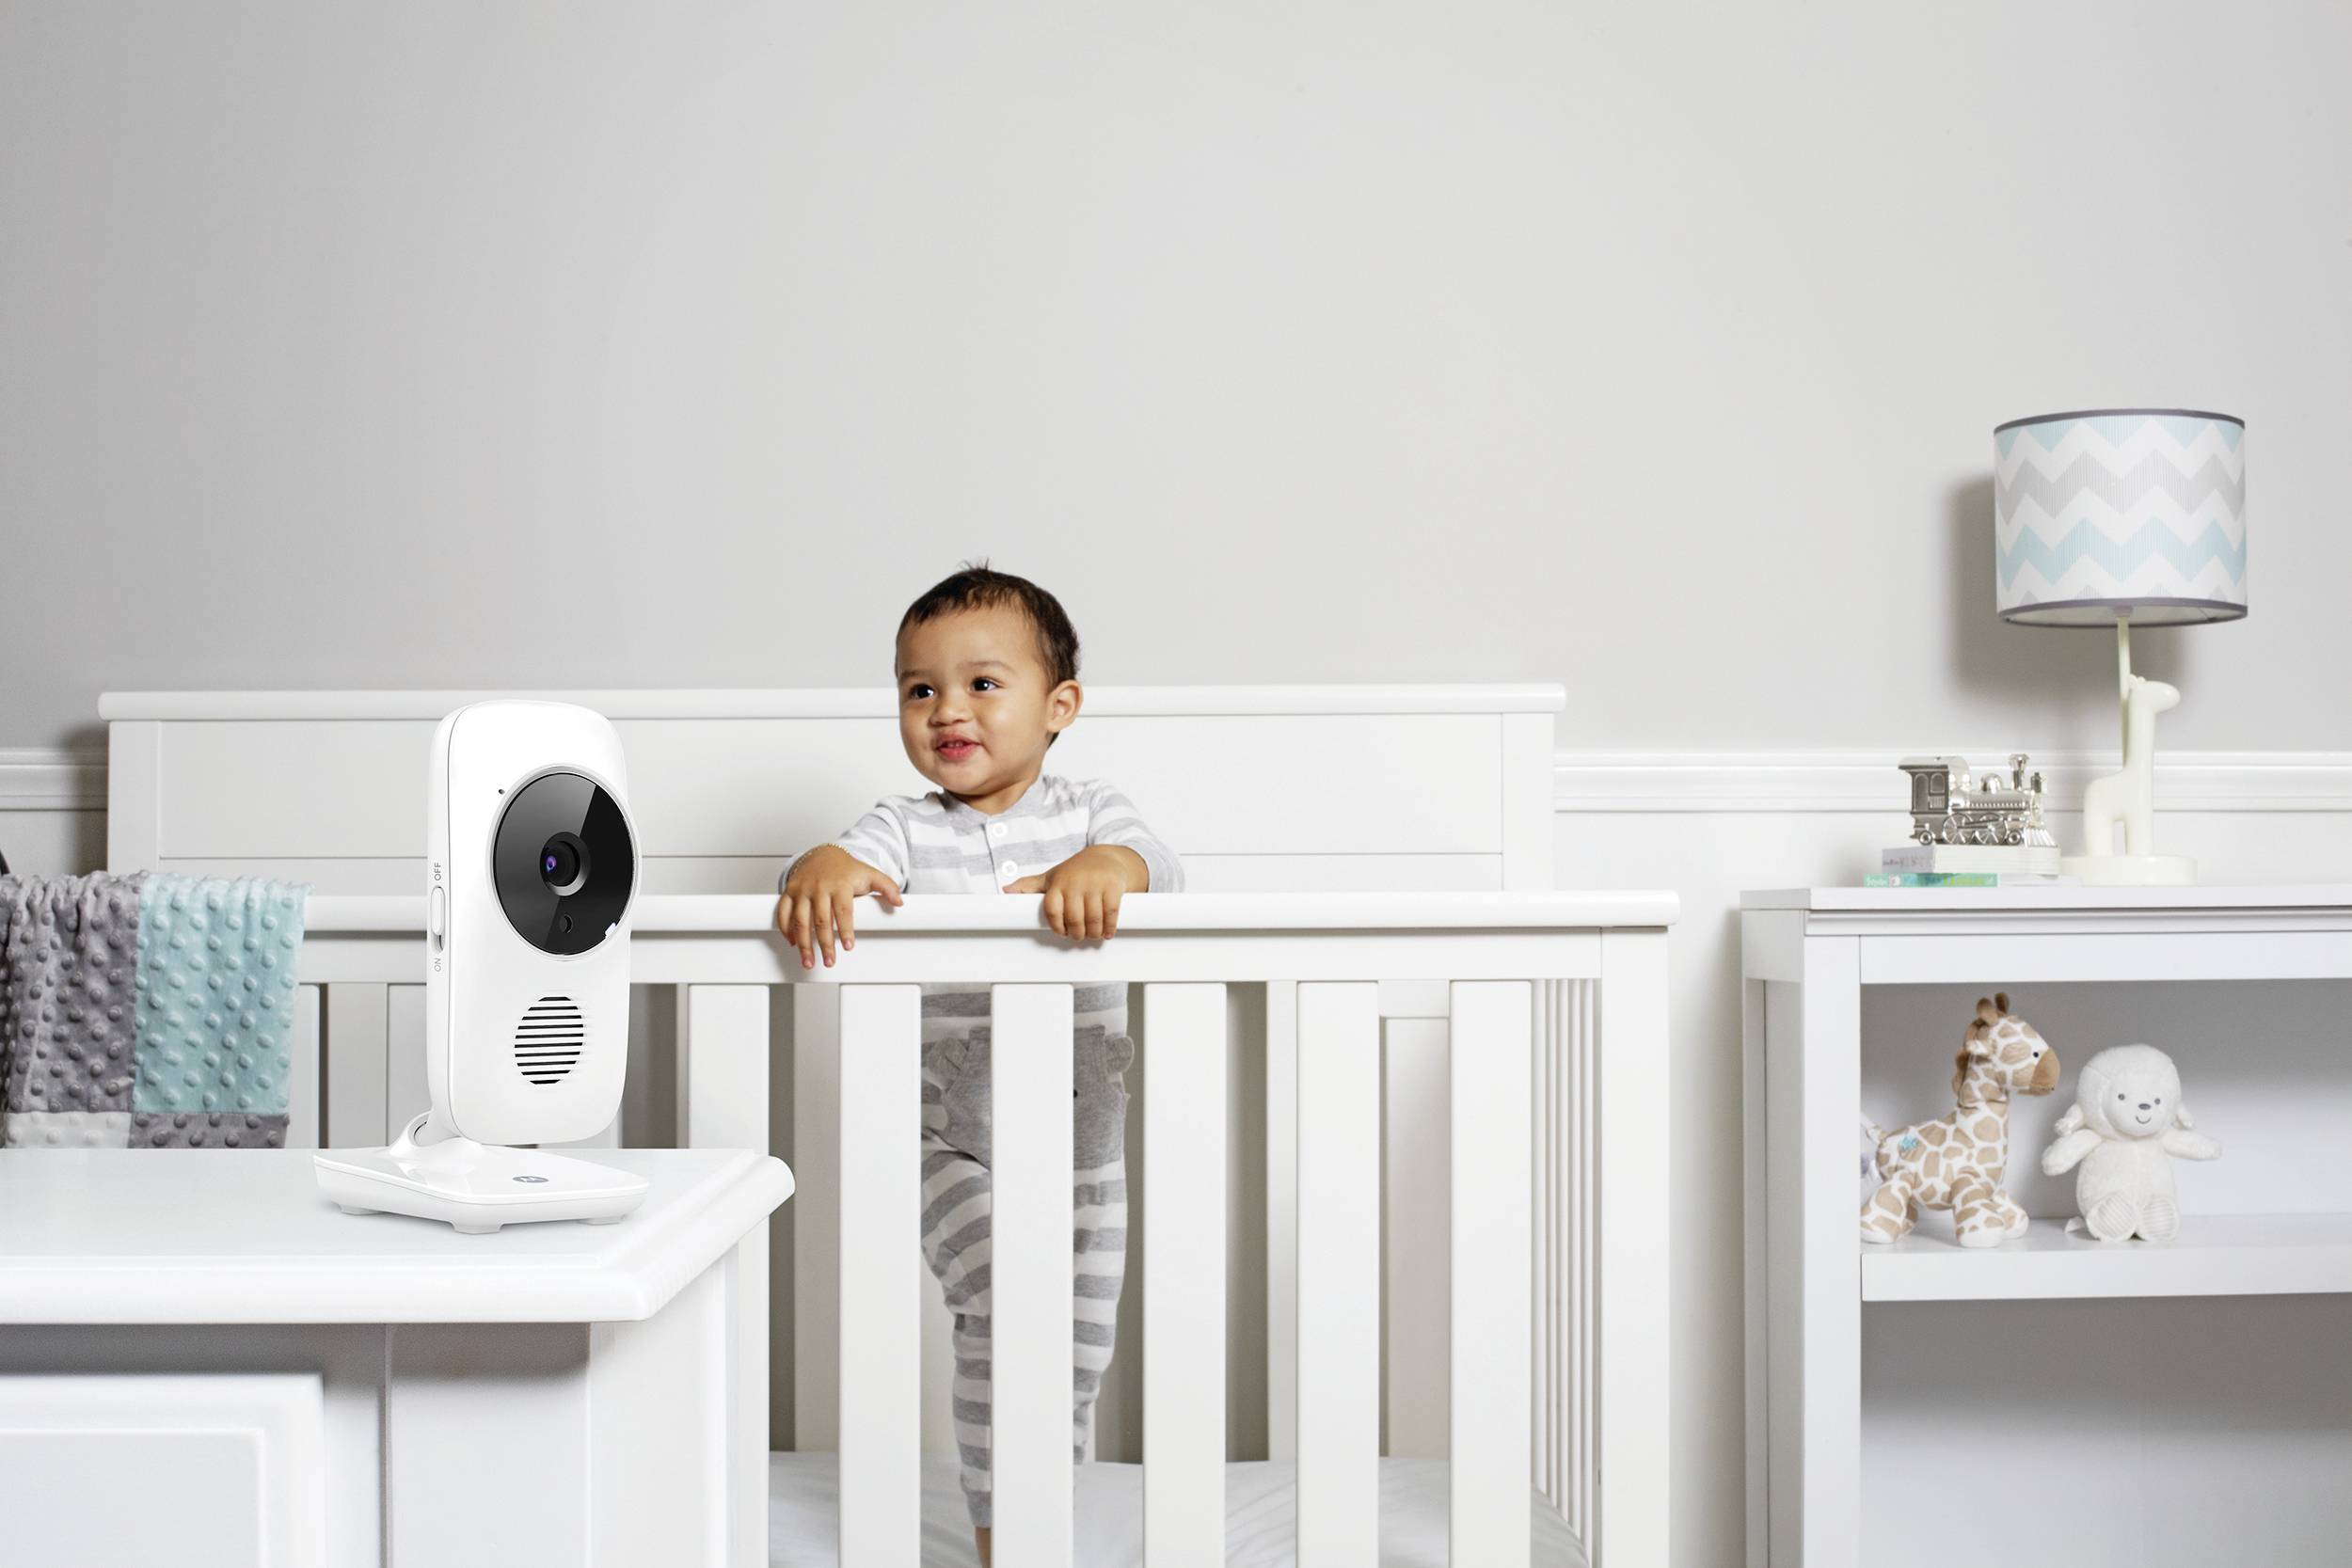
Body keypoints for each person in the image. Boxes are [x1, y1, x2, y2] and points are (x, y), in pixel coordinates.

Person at [774, 564, 1182, 1565]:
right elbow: (833, 866)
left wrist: (1105, 870)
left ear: (1059, 707)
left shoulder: (1090, 811)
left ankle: (1043, 1516)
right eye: (919, 688)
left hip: (1085, 1150)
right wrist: (820, 866)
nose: (946, 707)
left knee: (1076, 1352)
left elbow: (1155, 866)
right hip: (958, 1140)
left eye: (981, 684)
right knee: (1004, 1315)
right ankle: (1004, 1538)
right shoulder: (907, 827)